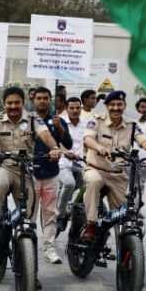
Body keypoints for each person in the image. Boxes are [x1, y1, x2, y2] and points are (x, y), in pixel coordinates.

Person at [79, 91, 146, 242]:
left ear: (124, 106)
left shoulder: (132, 125)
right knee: (93, 181)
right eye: (112, 105)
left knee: (124, 214)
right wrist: (99, 148)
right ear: (107, 106)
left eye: (119, 104)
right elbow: (88, 138)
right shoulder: (96, 120)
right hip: (96, 169)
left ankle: (126, 252)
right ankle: (91, 224)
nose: (116, 108)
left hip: (118, 174)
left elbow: (144, 141)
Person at [0, 87, 62, 245]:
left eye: (17, 102)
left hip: (25, 170)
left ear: (23, 103)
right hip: (3, 166)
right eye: (9, 103)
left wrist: (55, 148)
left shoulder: (33, 119)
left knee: (27, 214)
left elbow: (45, 135)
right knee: (0, 184)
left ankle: (23, 244)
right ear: (4, 104)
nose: (13, 106)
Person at [29, 87, 71, 264]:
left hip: (51, 173)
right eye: (39, 98)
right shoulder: (27, 121)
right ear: (33, 100)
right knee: (28, 214)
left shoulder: (58, 120)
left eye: (46, 98)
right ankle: (27, 247)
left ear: (50, 100)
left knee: (50, 214)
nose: (42, 101)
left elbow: (67, 144)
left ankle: (49, 248)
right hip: (31, 173)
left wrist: (60, 129)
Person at [57, 97, 86, 234]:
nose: (75, 111)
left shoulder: (87, 124)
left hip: (81, 163)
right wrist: (64, 152)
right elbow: (54, 142)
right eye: (72, 108)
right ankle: (60, 215)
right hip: (63, 163)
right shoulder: (60, 123)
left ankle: (75, 209)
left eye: (77, 108)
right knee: (69, 184)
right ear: (67, 109)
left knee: (89, 187)